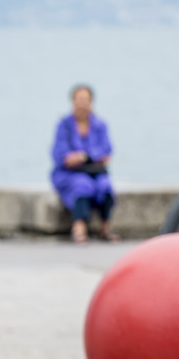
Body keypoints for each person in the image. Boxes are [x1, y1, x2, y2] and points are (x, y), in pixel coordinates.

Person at [51, 84, 115, 244]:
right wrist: (81, 158)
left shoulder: (100, 125)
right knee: (82, 184)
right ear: (72, 102)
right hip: (69, 173)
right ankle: (79, 228)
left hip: (94, 171)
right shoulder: (64, 125)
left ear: (92, 102)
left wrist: (84, 156)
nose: (82, 103)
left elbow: (106, 151)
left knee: (105, 185)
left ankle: (105, 227)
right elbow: (60, 154)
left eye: (85, 100)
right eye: (79, 100)